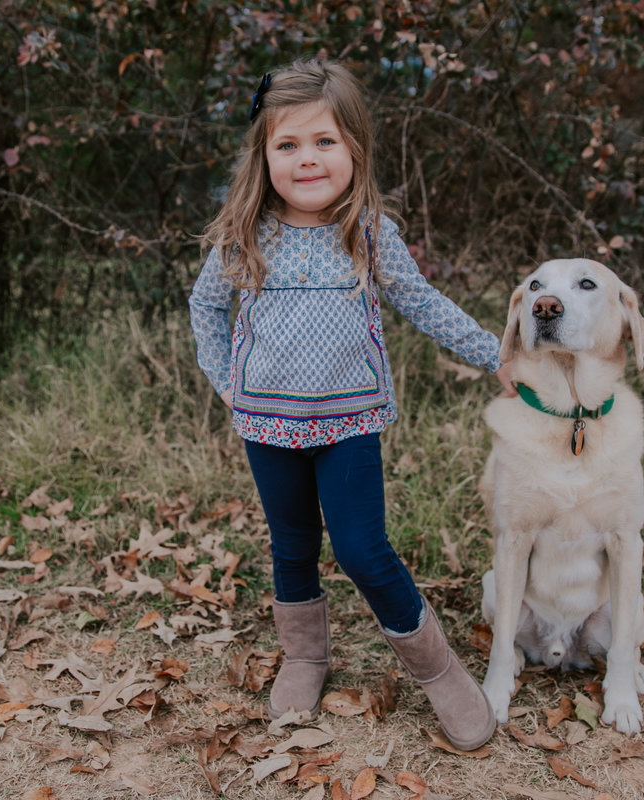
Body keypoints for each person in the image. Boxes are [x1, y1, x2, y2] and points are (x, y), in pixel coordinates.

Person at [189, 58, 512, 752]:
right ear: (264, 154)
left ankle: (438, 669)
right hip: (266, 425)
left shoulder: (366, 232)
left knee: (364, 549)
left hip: (349, 421)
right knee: (293, 545)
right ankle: (305, 657)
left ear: (355, 149)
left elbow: (423, 303)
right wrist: (224, 379)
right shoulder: (246, 232)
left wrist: (495, 354)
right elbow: (205, 308)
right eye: (288, 145)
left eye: (324, 142)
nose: (307, 159)